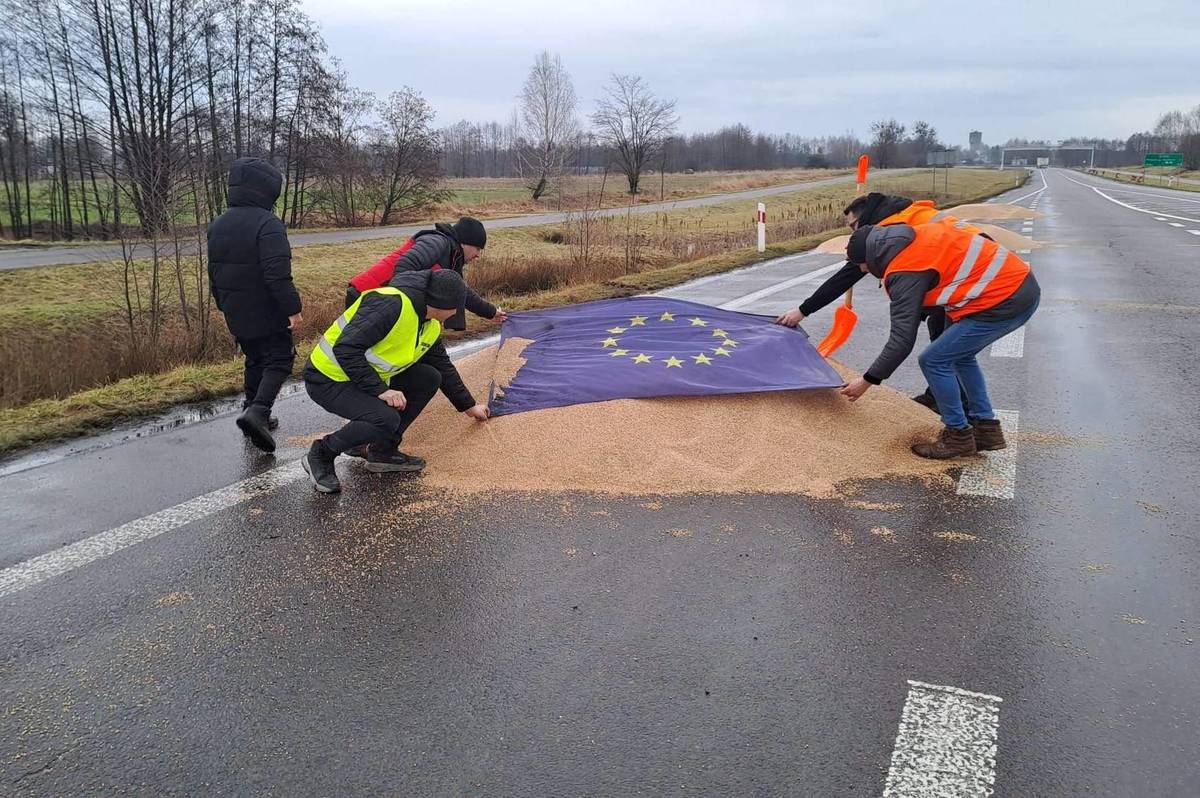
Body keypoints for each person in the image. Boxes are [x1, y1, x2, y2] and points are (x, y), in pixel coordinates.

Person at [839, 220, 1040, 459]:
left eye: (861, 266)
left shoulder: (904, 269)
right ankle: (986, 429)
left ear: (871, 258)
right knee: (959, 357)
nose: (862, 271)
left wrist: (867, 380)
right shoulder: (916, 235)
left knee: (933, 360)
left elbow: (901, 340)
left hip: (1003, 299)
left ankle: (958, 436)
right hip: (1018, 286)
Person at [774, 192, 975, 413]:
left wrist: (803, 310)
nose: (854, 232)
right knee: (942, 341)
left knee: (943, 351)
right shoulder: (901, 216)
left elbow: (848, 275)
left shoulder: (888, 231)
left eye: (854, 226)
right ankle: (941, 396)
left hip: (966, 278)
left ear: (866, 218)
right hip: (954, 273)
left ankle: (964, 412)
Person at [301, 269, 490, 493]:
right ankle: (322, 453)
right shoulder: (391, 305)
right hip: (328, 377)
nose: (458, 311)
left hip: (360, 376)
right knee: (384, 418)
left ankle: (383, 451)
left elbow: (443, 366)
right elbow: (346, 348)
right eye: (457, 306)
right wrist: (381, 390)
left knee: (429, 377)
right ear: (442, 302)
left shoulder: (429, 324)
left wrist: (468, 406)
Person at [207, 157, 301, 453]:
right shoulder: (268, 223)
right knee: (280, 357)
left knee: (254, 358)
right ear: (267, 190)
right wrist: (292, 307)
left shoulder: (218, 224)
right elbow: (277, 272)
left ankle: (252, 407)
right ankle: (258, 412)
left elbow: (213, 270)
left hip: (234, 306)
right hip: (266, 307)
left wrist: (222, 303)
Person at [346, 216, 507, 331]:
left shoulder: (452, 257)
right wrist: (404, 308)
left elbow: (460, 292)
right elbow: (405, 265)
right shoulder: (437, 241)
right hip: (366, 295)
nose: (478, 255)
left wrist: (491, 312)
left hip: (381, 302)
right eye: (478, 248)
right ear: (465, 242)